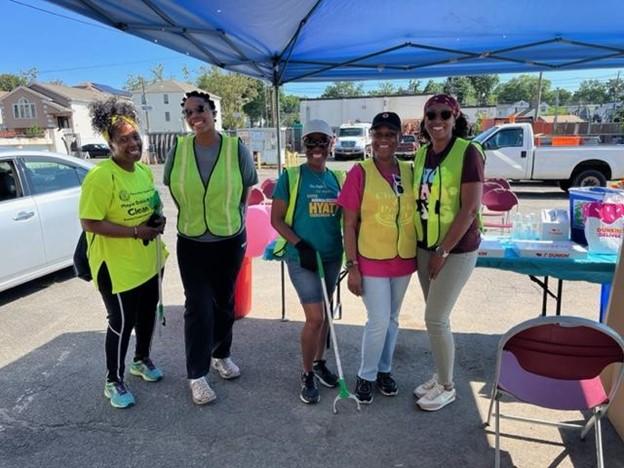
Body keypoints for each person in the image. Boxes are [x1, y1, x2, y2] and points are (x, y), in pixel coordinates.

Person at [163, 90, 258, 405]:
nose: (194, 117)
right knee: (198, 308)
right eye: (188, 113)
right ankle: (197, 375)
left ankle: (222, 354)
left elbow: (246, 187)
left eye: (199, 110)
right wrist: (194, 216)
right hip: (191, 242)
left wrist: (236, 218)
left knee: (224, 303)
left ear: (213, 112)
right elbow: (173, 189)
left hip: (229, 240)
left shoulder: (235, 149)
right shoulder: (178, 149)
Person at [79, 98, 167, 409]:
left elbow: (153, 203)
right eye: (123, 139)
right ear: (111, 144)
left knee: (146, 316)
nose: (132, 143)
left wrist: (158, 218)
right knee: (121, 321)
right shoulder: (101, 177)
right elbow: (89, 221)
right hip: (116, 266)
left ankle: (140, 360)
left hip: (148, 259)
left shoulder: (142, 171)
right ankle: (113, 380)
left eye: (135, 137)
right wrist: (133, 232)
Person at [337, 112, 417, 404]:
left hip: (403, 258)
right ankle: (366, 374)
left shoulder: (410, 170)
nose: (383, 140)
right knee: (378, 320)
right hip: (369, 258)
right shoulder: (360, 172)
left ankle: (384, 370)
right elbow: (348, 224)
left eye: (389, 134)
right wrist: (352, 266)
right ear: (371, 137)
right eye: (378, 134)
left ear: (399, 138)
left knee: (393, 320)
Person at [412, 94, 484, 411]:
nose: (437, 120)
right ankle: (440, 373)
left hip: (455, 249)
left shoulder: (469, 152)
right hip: (426, 247)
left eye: (444, 114)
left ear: (455, 118)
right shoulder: (423, 154)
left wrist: (443, 249)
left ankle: (447, 386)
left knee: (435, 318)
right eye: (431, 115)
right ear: (425, 120)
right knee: (437, 318)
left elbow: (469, 208)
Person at [270, 119, 344, 404]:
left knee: (326, 313)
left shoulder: (337, 178)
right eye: (310, 142)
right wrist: (300, 245)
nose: (316, 148)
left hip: (330, 256)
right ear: (304, 146)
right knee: (314, 318)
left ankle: (319, 362)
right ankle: (306, 373)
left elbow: (347, 220)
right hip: (302, 257)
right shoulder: (291, 176)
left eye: (322, 142)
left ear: (330, 144)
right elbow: (275, 219)